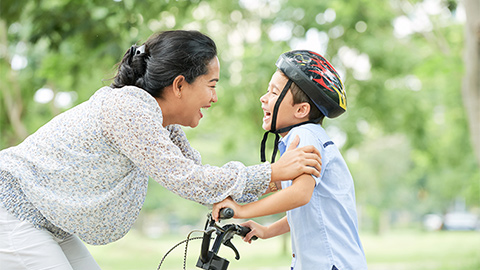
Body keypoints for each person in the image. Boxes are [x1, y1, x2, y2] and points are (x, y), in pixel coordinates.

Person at [0, 31, 323, 270]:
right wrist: (274, 171)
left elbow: (201, 178)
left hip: (49, 221)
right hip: (13, 210)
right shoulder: (128, 109)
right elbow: (189, 179)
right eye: (211, 85)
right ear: (180, 85)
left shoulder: (162, 124)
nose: (214, 98)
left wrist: (271, 182)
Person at [212, 50, 367, 270]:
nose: (263, 98)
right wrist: (267, 231)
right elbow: (310, 212)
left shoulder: (304, 135)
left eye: (274, 92)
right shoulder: (305, 139)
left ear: (301, 110)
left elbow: (299, 195)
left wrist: (242, 210)